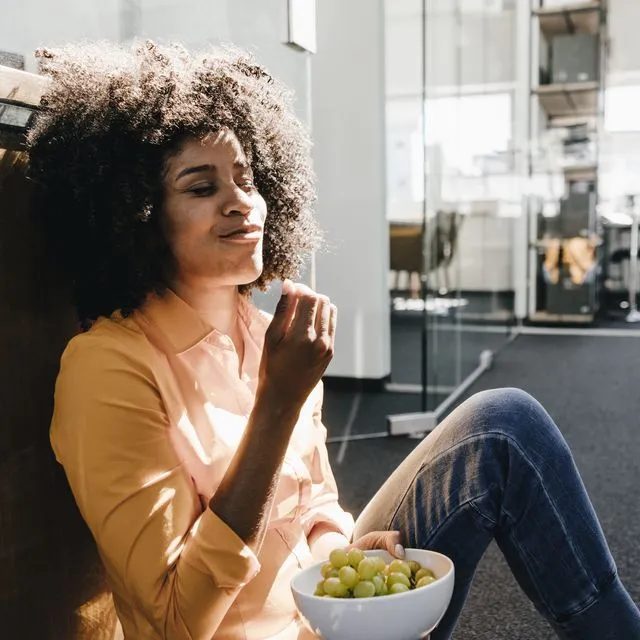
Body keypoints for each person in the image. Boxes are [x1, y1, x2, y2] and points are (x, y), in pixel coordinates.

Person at [27, 41, 640, 640]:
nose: (242, 201)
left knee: (503, 425)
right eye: (201, 186)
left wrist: (338, 542)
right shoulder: (107, 366)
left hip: (332, 616)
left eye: (246, 178)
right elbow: (175, 622)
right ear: (136, 215)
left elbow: (314, 497)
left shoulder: (270, 333)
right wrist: (278, 404)